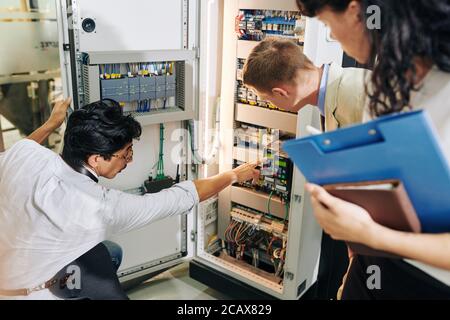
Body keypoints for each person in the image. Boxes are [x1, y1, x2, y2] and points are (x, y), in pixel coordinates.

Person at [0, 99, 260, 299]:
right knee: (106, 258)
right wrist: (233, 175)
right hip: (31, 289)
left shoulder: (25, 153)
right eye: (126, 154)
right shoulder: (98, 207)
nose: (130, 160)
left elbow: (24, 148)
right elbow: (178, 198)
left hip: (11, 265)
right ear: (96, 159)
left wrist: (51, 124)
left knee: (108, 251)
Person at [296, 0, 450, 299]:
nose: (332, 36)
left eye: (328, 24)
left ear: (355, 11)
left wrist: (371, 235)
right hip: (373, 266)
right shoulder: (387, 75)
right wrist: (355, 266)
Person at [243, 37, 369, 131]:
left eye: (267, 99)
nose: (273, 105)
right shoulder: (334, 97)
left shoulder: (359, 95)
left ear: (280, 93)